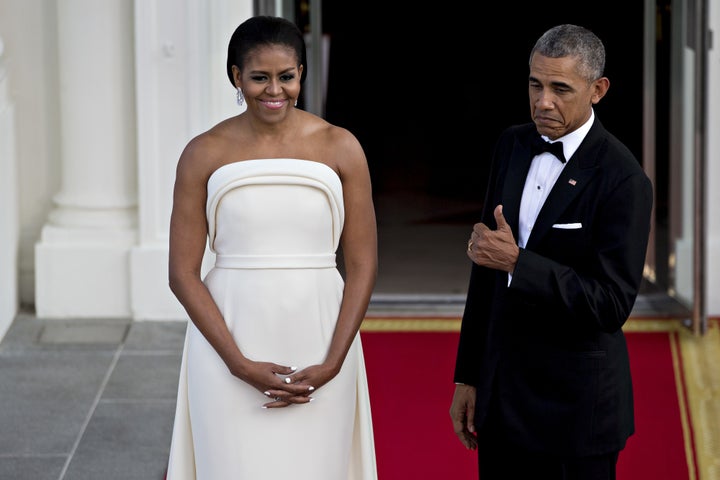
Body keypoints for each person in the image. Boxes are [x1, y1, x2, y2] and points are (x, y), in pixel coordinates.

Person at [165, 15, 378, 479]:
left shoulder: (340, 146)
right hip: (228, 341)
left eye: (287, 76)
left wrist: (334, 361)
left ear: (302, 72)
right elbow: (181, 273)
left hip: (321, 339)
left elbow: (362, 264)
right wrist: (238, 364)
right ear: (236, 76)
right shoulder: (203, 152)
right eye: (260, 77)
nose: (274, 90)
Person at [449, 24, 653, 479]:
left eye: (560, 88)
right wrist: (468, 376)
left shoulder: (624, 179)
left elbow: (611, 304)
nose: (543, 102)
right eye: (535, 84)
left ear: (598, 90)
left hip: (576, 411)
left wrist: (519, 263)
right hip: (502, 401)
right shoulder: (512, 144)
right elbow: (485, 269)